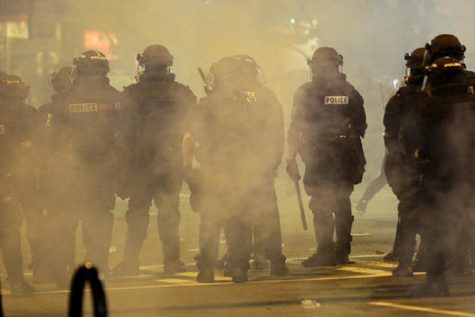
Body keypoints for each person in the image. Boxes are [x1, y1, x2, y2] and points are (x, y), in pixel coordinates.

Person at [187, 55, 288, 283]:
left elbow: (194, 136)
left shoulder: (210, 102)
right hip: (254, 169)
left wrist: (194, 170)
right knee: (255, 217)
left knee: (212, 218)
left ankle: (206, 270)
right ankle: (255, 266)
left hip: (216, 170)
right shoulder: (267, 99)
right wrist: (271, 165)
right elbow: (276, 136)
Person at [114, 45, 195, 275]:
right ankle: (171, 262)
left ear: (144, 64)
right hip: (170, 164)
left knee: (137, 215)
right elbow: (193, 129)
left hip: (139, 165)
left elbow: (120, 132)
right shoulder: (182, 93)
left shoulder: (130, 94)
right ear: (168, 63)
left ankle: (130, 262)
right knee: (169, 213)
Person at [286, 47, 367, 267]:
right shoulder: (350, 92)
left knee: (321, 203)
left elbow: (295, 128)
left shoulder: (304, 92)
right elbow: (361, 125)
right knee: (341, 201)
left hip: (317, 156)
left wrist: (290, 157)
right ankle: (342, 252)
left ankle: (324, 251)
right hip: (344, 156)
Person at [49, 50, 122, 285]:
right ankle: (98, 267)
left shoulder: (64, 101)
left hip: (70, 172)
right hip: (102, 171)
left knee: (66, 220)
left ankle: (65, 269)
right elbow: (126, 136)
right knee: (99, 219)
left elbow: (51, 139)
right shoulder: (115, 99)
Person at [412, 35, 475, 296]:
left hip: (439, 171)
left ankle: (437, 283)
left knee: (434, 225)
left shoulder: (427, 94)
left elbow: (417, 137)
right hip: (471, 169)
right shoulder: (472, 84)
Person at [383, 48, 427, 277]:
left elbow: (390, 136)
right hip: (435, 163)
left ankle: (406, 261)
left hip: (410, 163)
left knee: (409, 211)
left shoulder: (401, 99)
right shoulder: (432, 96)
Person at [0, 74, 37, 295]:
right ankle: (16, 281)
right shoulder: (29, 114)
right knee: (10, 232)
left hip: (10, 180)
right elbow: (41, 148)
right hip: (15, 181)